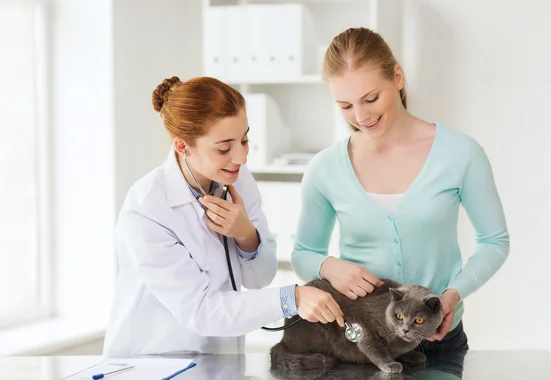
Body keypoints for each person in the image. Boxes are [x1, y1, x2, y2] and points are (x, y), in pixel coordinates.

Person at [291, 28, 510, 350]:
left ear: (397, 77)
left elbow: (495, 241)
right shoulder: (325, 168)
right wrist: (329, 267)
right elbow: (304, 253)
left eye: (371, 98)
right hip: (359, 344)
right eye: (345, 105)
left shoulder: (460, 153)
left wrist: (452, 295)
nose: (361, 116)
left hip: (438, 339)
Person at [103, 76, 344, 356]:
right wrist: (292, 298)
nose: (241, 157)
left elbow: (259, 278)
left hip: (218, 360)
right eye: (223, 148)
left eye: (244, 140)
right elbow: (201, 310)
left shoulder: (236, 181)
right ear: (183, 146)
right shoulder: (147, 210)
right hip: (152, 362)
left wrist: (246, 235)